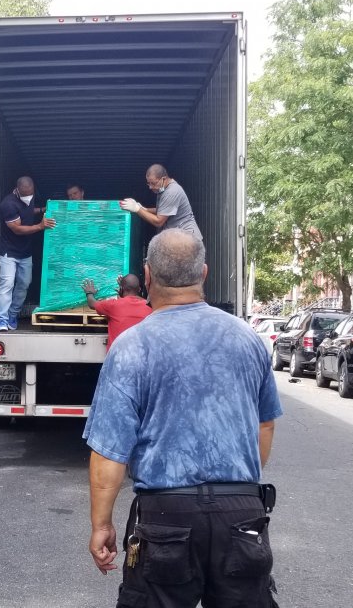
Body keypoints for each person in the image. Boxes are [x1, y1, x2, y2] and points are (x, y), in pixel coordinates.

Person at [84, 230, 282, 608]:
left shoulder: (131, 346)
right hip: (242, 514)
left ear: (148, 275)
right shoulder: (247, 338)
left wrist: (102, 524)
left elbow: (109, 451)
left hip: (165, 516)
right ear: (203, 273)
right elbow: (265, 424)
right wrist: (239, 486)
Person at [0, 176, 56, 332]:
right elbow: (17, 228)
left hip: (26, 252)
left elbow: (28, 210)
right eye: (25, 194)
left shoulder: (30, 196)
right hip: (9, 252)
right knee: (7, 284)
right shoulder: (8, 204)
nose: (29, 197)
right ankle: (1, 319)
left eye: (31, 193)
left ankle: (13, 314)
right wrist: (40, 226)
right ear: (18, 190)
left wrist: (41, 210)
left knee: (24, 284)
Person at [119, 164, 203, 242]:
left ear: (163, 179)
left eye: (153, 183)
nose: (150, 187)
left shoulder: (171, 192)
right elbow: (163, 209)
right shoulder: (162, 190)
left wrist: (137, 209)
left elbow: (158, 222)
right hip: (177, 237)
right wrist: (145, 209)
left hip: (188, 239)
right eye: (148, 183)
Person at [82, 274, 152, 351]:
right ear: (139, 289)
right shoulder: (149, 307)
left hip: (117, 356)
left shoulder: (113, 305)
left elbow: (92, 304)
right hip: (139, 355)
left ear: (121, 288)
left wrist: (89, 293)